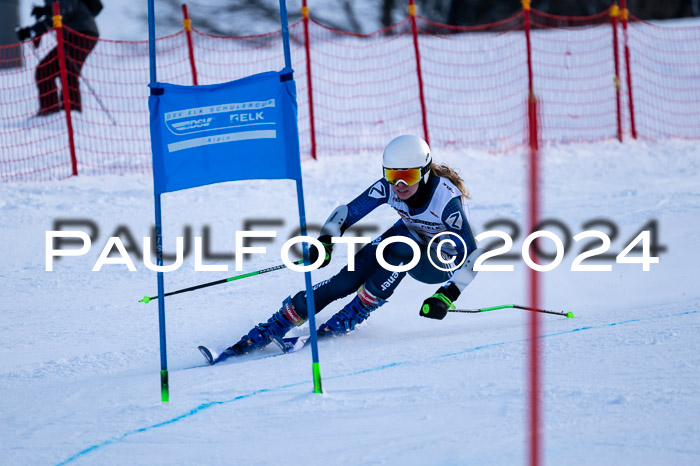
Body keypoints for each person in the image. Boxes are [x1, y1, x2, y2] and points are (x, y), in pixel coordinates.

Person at [216, 135, 482, 363]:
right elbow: (347, 212)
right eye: (393, 176)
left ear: (424, 173)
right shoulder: (389, 187)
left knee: (404, 245)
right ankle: (275, 324)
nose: (399, 186)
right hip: (410, 236)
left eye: (409, 177)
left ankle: (352, 314)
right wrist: (325, 242)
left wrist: (447, 295)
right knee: (346, 278)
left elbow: (474, 254)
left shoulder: (446, 201)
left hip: (439, 262)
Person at [16, 0, 101, 116]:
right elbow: (58, 13)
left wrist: (41, 21)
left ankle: (67, 112)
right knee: (47, 70)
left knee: (64, 70)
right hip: (76, 33)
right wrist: (34, 28)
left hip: (81, 33)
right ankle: (55, 112)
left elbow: (63, 10)